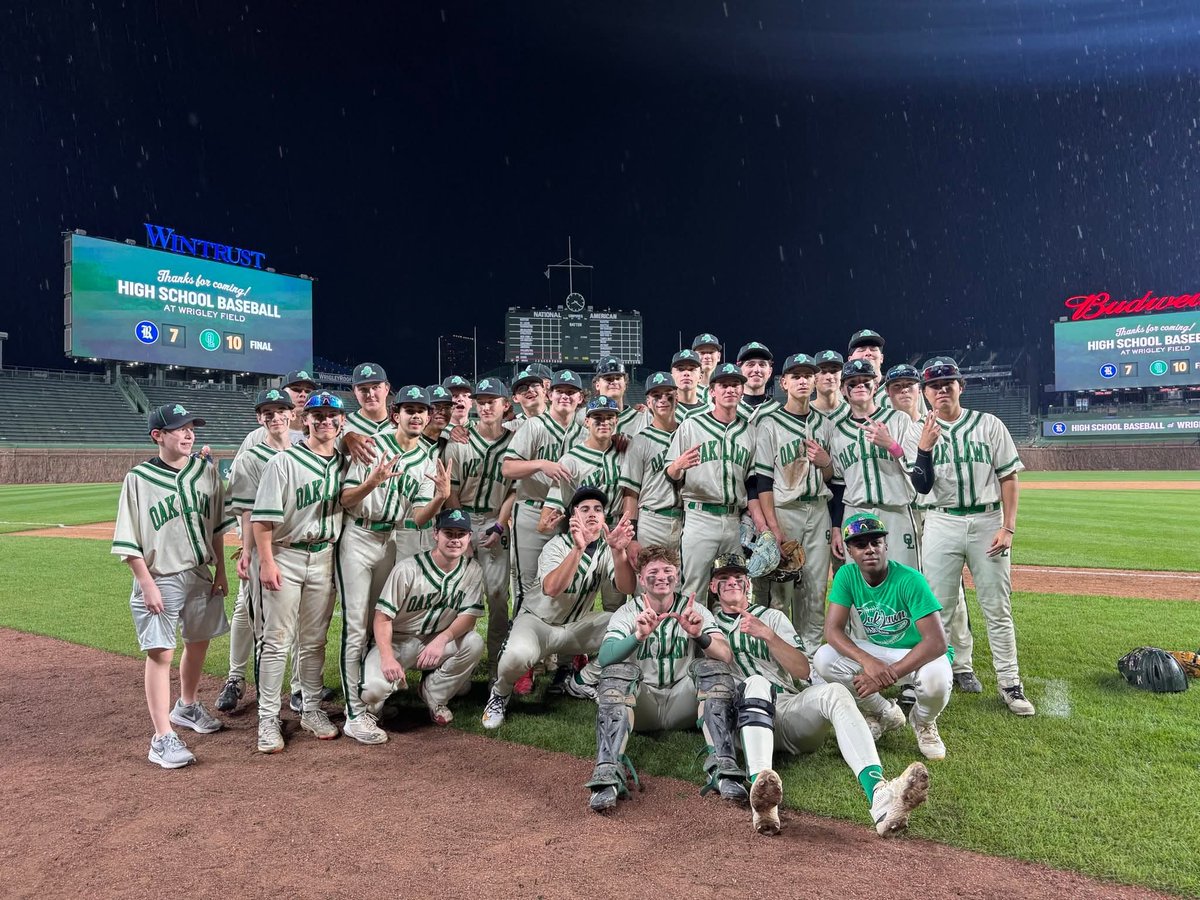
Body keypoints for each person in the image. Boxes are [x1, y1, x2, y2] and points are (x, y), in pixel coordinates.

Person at [708, 553, 930, 837]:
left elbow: (802, 670)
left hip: (787, 709)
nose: (732, 582)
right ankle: (761, 796)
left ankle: (879, 795)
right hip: (743, 723)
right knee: (756, 683)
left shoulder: (771, 617)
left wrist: (769, 636)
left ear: (748, 583)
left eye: (738, 577)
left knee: (835, 692)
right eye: (724, 578)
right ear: (713, 587)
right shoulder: (706, 624)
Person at [911, 357, 1034, 714]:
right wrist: (924, 447)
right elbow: (921, 485)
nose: (941, 390)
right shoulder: (918, 428)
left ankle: (1010, 683)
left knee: (997, 607)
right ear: (925, 393)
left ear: (960, 386)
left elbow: (1009, 477)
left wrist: (1008, 527)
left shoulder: (989, 424)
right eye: (934, 386)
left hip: (987, 520)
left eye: (948, 383)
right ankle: (934, 682)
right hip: (941, 520)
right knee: (937, 609)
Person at [113, 403, 232, 768]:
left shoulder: (205, 472)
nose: (188, 433)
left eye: (191, 427)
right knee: (161, 653)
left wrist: (221, 570)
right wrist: (145, 582)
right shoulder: (138, 478)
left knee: (198, 642)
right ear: (158, 436)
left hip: (199, 573)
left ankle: (187, 706)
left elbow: (215, 528)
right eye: (180, 428)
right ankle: (162, 737)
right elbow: (128, 539)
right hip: (160, 575)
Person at [584, 545, 742, 813]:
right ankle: (607, 774)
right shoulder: (628, 612)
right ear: (641, 579)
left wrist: (698, 635)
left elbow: (725, 655)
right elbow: (606, 656)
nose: (661, 577)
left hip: (682, 702)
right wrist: (638, 636)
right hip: (642, 705)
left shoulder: (694, 609)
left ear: (677, 576)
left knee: (713, 669)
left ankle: (724, 768)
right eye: (653, 571)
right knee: (615, 676)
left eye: (667, 570)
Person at [336, 385, 450, 744]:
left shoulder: (427, 458)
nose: (416, 416)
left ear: (428, 417)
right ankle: (354, 714)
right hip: (358, 536)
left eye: (421, 411)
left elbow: (417, 518)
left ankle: (370, 704)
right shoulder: (372, 445)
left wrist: (440, 499)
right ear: (395, 414)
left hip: (389, 541)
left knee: (376, 625)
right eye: (409, 410)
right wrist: (373, 481)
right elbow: (346, 499)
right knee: (355, 627)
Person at [482, 488, 636, 729]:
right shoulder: (557, 545)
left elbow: (627, 587)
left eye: (598, 509)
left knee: (634, 625)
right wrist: (578, 550)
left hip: (575, 628)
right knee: (515, 657)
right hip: (538, 624)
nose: (592, 513)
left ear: (604, 517)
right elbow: (552, 588)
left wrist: (619, 553)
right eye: (585, 509)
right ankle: (500, 694)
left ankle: (582, 680)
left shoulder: (607, 549)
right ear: (574, 517)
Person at [251, 391, 348, 753]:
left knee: (314, 641)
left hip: (325, 556)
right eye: (317, 416)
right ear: (304, 420)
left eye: (332, 416)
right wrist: (267, 562)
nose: (325, 421)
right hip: (286, 554)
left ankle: (311, 709)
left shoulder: (345, 464)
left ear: (342, 421)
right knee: (276, 641)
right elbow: (262, 521)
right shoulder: (284, 462)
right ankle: (267, 718)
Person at [813, 513, 953, 761]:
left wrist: (888, 674)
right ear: (849, 551)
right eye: (860, 545)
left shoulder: (910, 579)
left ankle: (923, 721)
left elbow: (937, 642)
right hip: (880, 650)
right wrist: (867, 661)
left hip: (919, 653)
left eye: (875, 542)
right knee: (824, 658)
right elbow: (832, 630)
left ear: (885, 545)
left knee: (936, 681)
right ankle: (883, 712)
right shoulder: (846, 575)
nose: (870, 550)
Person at [359, 508, 486, 725]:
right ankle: (372, 709)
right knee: (372, 691)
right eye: (449, 533)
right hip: (398, 641)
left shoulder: (472, 570)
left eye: (460, 534)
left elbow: (469, 617)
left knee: (473, 642)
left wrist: (442, 639)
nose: (455, 540)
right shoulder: (408, 569)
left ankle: (434, 694)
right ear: (435, 534)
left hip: (435, 642)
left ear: (469, 537)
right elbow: (382, 617)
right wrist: (387, 657)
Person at [216, 389, 292, 713]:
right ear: (260, 417)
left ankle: (299, 689)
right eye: (268, 412)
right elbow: (246, 507)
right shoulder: (253, 444)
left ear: (292, 412)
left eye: (281, 410)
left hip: (296, 548)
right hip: (263, 546)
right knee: (248, 613)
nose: (275, 417)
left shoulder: (305, 444)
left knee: (293, 623)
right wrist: (246, 549)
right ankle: (236, 678)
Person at [753, 353, 834, 651]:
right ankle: (783, 651)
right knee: (781, 589)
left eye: (807, 376)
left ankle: (810, 654)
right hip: (785, 510)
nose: (802, 381)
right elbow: (763, 482)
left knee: (815, 587)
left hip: (819, 510)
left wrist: (826, 463)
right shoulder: (769, 424)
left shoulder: (825, 424)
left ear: (814, 381)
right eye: (796, 376)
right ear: (783, 382)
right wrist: (773, 526)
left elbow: (831, 476)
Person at [665, 362, 763, 599]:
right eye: (723, 385)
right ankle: (691, 626)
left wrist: (759, 523)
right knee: (694, 590)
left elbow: (752, 482)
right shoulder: (691, 426)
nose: (730, 390)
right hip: (700, 516)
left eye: (735, 385)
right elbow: (670, 474)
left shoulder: (750, 432)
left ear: (742, 390)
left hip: (734, 521)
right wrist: (678, 466)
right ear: (711, 391)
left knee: (734, 591)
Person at [442, 377, 516, 677]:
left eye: (492, 402)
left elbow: (514, 490)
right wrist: (462, 531)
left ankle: (497, 662)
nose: (486, 407)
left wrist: (499, 525)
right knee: (458, 593)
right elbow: (450, 490)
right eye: (481, 402)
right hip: (463, 519)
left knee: (497, 594)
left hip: (496, 520)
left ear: (505, 405)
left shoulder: (514, 442)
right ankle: (458, 660)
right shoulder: (459, 440)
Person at [824, 359, 920, 570]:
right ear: (843, 390)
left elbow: (916, 469)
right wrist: (837, 527)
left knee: (903, 578)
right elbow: (839, 485)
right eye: (853, 382)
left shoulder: (899, 420)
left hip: (895, 511)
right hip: (855, 512)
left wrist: (892, 445)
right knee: (862, 582)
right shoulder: (837, 431)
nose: (860, 385)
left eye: (866, 381)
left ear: (875, 386)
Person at [620, 372, 683, 559]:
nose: (662, 400)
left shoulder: (687, 434)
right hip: (652, 519)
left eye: (668, 395)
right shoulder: (639, 441)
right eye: (656, 396)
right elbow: (630, 493)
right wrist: (632, 537)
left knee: (683, 577)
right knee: (649, 574)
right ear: (648, 402)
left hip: (686, 520)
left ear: (677, 398)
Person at [591, 356, 647, 440]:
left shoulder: (642, 418)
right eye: (608, 379)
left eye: (618, 378)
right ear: (597, 385)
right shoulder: (584, 417)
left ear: (625, 384)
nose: (614, 382)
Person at [736, 342, 778, 420]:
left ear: (770, 372)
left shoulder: (779, 411)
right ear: (739, 370)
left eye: (762, 364)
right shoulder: (725, 409)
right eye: (750, 364)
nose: (757, 370)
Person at [670, 349, 707, 422]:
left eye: (691, 369)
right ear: (672, 377)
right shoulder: (661, 409)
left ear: (700, 377)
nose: (686, 373)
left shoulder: (710, 411)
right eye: (680, 369)